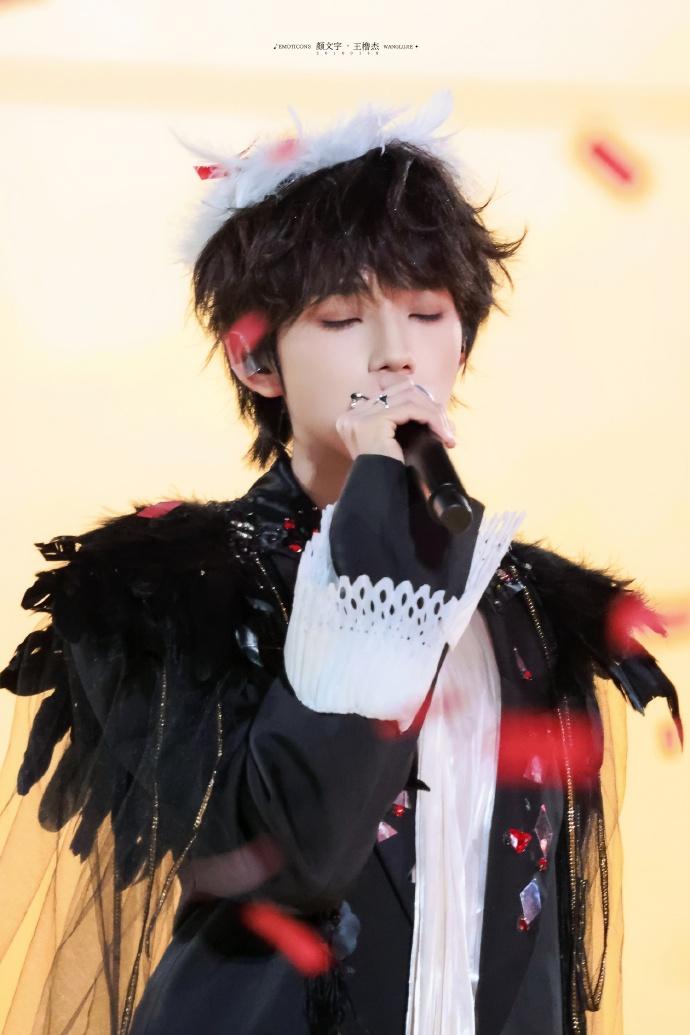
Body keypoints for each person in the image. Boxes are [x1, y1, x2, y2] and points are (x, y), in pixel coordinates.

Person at [0, 91, 682, 1035]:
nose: (396, 355)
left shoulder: (530, 600)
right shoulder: (167, 589)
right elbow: (302, 854)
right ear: (256, 361)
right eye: (341, 319)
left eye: (428, 312)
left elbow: (535, 942)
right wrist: (376, 522)